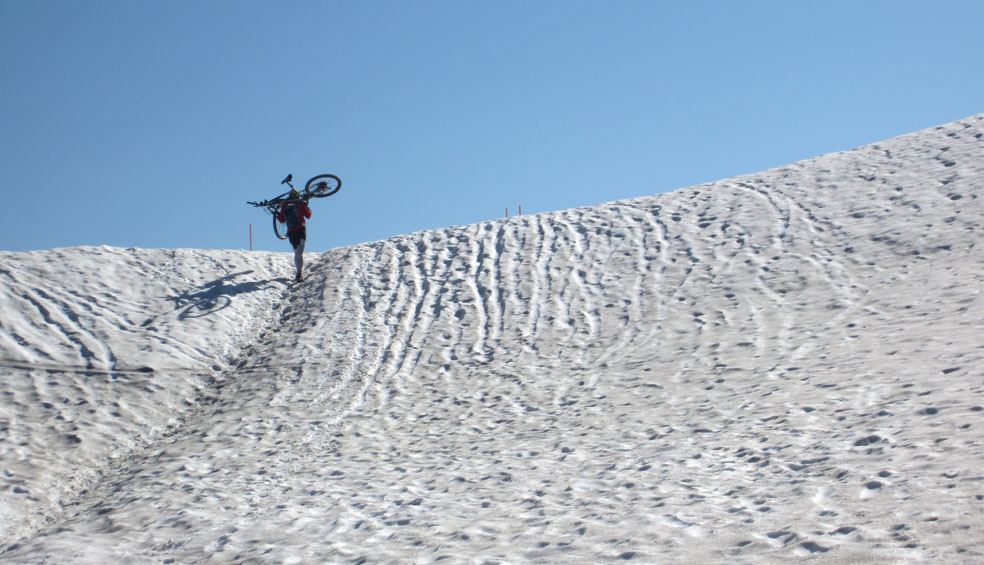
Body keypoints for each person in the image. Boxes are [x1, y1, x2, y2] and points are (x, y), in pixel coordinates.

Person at [277, 189, 312, 282]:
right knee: (300, 252)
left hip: (291, 231)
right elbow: (308, 216)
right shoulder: (300, 204)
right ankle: (299, 273)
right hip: (301, 229)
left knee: (296, 252)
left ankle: (298, 273)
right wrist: (308, 208)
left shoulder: (285, 205)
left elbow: (281, 220)